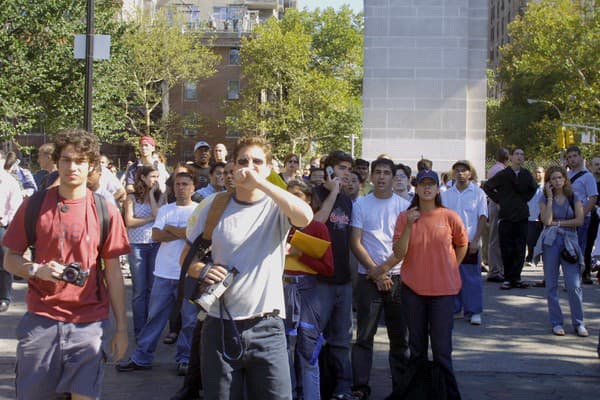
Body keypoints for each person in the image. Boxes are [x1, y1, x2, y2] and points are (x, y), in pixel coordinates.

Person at [2, 128, 130, 399]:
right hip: (42, 320)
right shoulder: (34, 206)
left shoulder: (106, 211)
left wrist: (120, 328)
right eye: (67, 160)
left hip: (89, 323)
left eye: (81, 161)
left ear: (92, 166)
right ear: (57, 162)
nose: (73, 167)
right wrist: (37, 270)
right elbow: (10, 260)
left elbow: (115, 274)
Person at [184, 136, 313, 400]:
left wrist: (262, 184)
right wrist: (203, 270)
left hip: (267, 327)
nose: (249, 167)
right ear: (232, 165)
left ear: (268, 167)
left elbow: (305, 216)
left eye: (257, 162)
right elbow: (187, 260)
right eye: (243, 161)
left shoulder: (277, 206)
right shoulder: (215, 205)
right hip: (220, 325)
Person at [372, 169, 468, 400]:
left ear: (437, 188)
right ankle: (417, 394)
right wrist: (409, 226)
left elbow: (462, 244)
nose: (427, 188)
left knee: (442, 350)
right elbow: (399, 252)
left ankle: (447, 395)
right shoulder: (406, 217)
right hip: (413, 291)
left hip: (443, 291)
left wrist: (451, 265)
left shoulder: (449, 216)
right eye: (423, 184)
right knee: (416, 349)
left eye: (431, 185)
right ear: (416, 188)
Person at [116, 172, 198, 374]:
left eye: (185, 184)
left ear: (193, 188)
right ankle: (142, 357)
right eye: (178, 184)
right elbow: (156, 235)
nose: (181, 187)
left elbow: (197, 238)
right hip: (163, 273)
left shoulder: (199, 211)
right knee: (154, 319)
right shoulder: (165, 210)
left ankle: (185, 359)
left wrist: (173, 230)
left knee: (189, 320)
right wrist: (184, 232)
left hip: (188, 274)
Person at [350, 158, 410, 399]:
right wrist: (376, 273)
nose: (382, 177)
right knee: (364, 336)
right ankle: (360, 387)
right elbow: (355, 242)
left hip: (397, 278)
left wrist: (384, 271)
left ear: (394, 177)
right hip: (368, 280)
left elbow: (406, 246)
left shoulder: (403, 206)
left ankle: (401, 387)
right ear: (371, 177)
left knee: (399, 338)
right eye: (378, 173)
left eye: (387, 173)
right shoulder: (361, 205)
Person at [283, 179, 334, 400]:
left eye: (299, 196)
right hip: (280, 289)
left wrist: (300, 255)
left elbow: (328, 268)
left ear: (309, 200)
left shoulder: (317, 227)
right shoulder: (278, 223)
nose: (294, 200)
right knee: (281, 352)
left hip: (308, 293)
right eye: (289, 195)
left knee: (308, 351)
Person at [312, 150, 354, 400]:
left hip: (343, 280)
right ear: (328, 170)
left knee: (341, 339)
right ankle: (310, 388)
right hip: (319, 281)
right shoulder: (315, 194)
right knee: (312, 339)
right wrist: (333, 193)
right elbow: (315, 224)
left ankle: (343, 388)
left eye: (348, 169)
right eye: (341, 168)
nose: (346, 173)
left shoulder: (348, 201)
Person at [534, 166, 588, 337]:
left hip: (569, 241)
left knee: (574, 285)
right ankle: (556, 322)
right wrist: (550, 198)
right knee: (551, 284)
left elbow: (579, 220)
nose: (557, 181)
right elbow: (547, 220)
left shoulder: (574, 196)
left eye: (559, 178)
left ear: (565, 179)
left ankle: (578, 322)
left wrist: (559, 224)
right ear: (548, 181)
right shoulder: (543, 198)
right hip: (551, 241)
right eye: (553, 178)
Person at [483, 148, 537, 290]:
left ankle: (517, 277)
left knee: (520, 247)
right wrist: (499, 200)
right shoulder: (503, 174)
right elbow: (487, 186)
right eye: (517, 154)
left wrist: (524, 199)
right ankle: (507, 277)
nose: (519, 157)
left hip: (521, 214)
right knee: (506, 247)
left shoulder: (526, 174)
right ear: (511, 157)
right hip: (506, 215)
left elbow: (533, 188)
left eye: (522, 154)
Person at [442, 160, 487, 325]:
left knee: (471, 278)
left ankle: (474, 311)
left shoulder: (478, 193)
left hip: (470, 242)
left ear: (470, 173)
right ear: (453, 173)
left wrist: (476, 240)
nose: (461, 173)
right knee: (451, 275)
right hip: (450, 242)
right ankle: (455, 308)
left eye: (464, 170)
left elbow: (483, 217)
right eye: (457, 170)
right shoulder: (446, 194)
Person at [124, 165, 166, 340]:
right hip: (137, 246)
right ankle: (139, 331)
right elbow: (129, 221)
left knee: (152, 290)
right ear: (142, 178)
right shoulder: (131, 198)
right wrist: (150, 219)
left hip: (155, 245)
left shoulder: (159, 197)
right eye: (152, 176)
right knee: (139, 291)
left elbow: (161, 217)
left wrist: (152, 195)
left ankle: (151, 330)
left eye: (157, 176)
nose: (155, 180)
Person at [565, 145, 598, 284]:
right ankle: (570, 276)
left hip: (583, 218)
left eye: (574, 156)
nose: (572, 160)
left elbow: (592, 198)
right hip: (567, 217)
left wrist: (582, 215)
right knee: (568, 248)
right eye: (569, 157)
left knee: (580, 247)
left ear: (580, 157)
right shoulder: (566, 175)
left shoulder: (588, 176)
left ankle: (576, 277)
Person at [0, 150, 23, 313]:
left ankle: (4, 297)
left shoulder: (9, 182)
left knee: (3, 262)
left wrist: (4, 221)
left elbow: (15, 208)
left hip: (2, 226)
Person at [485, 148, 510, 282]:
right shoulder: (500, 170)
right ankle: (495, 270)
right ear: (507, 157)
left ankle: (497, 268)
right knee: (495, 237)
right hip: (497, 204)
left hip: (494, 203)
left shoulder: (494, 168)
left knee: (496, 237)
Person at [585, 156, 600, 284]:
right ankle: (586, 271)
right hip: (591, 216)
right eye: (596, 164)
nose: (599, 167)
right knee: (588, 244)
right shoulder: (588, 181)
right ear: (590, 166)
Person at [526, 167, 545, 267]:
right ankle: (531, 258)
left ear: (544, 174)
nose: (537, 174)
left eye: (539, 172)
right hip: (531, 217)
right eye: (535, 172)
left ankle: (542, 259)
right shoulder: (529, 187)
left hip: (542, 218)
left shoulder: (546, 188)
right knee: (531, 240)